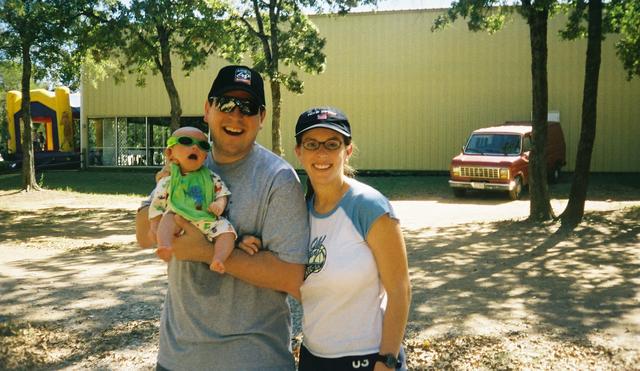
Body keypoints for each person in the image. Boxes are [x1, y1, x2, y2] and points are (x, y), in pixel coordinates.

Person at [135, 65, 309, 370]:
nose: (236, 115)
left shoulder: (278, 179)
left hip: (254, 360)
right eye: (226, 104)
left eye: (248, 107)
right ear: (207, 109)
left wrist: (205, 251)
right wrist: (162, 184)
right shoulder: (185, 161)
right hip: (177, 358)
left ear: (262, 118)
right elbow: (143, 236)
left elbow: (292, 276)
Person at [295, 107, 411, 370]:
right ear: (299, 152)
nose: (322, 153)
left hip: (368, 358)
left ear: (347, 151)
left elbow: (400, 290)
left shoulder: (368, 206)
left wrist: (387, 360)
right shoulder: (301, 210)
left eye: (332, 144)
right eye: (312, 144)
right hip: (314, 356)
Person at [147, 126, 235, 273]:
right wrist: (154, 223)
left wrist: (219, 204)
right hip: (179, 216)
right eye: (186, 141)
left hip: (207, 219)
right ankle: (165, 246)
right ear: (170, 153)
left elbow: (222, 193)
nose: (195, 147)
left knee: (228, 232)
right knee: (167, 219)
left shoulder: (210, 177)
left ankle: (219, 258)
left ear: (205, 157)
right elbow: (158, 203)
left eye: (202, 145)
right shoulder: (169, 179)